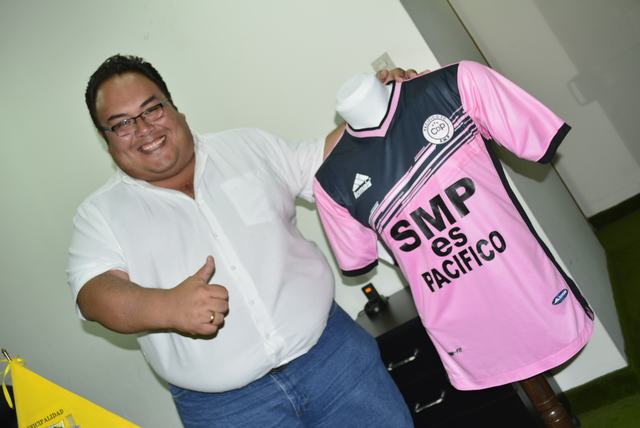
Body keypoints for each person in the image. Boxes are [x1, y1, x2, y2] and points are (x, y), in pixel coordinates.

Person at [67, 54, 417, 427]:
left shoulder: (246, 146)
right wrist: (166, 306)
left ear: (174, 107)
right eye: (122, 123)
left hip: (335, 362)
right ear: (106, 140)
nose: (143, 129)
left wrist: (379, 106)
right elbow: (93, 295)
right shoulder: (100, 213)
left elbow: (323, 162)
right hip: (229, 412)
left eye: (152, 109)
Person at [314, 61, 594, 391]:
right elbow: (359, 259)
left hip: (530, 289)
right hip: (460, 328)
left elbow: (535, 138)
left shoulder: (456, 83)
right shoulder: (330, 182)